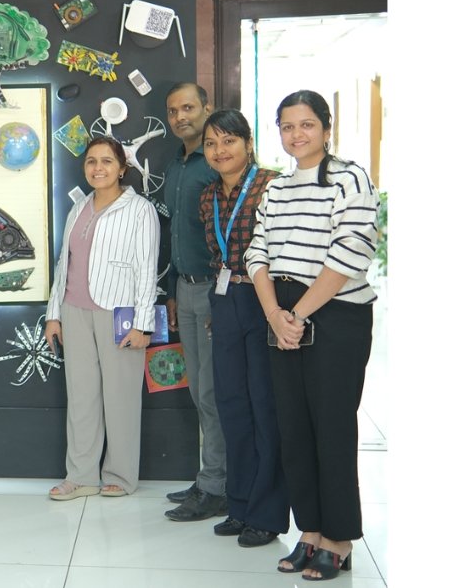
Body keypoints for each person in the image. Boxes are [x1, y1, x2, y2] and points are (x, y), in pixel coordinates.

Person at [246, 90, 378, 581]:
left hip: (335, 315)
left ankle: (339, 537)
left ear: (326, 127)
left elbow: (350, 253)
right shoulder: (277, 187)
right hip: (282, 314)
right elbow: (257, 252)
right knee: (294, 429)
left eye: (306, 124)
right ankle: (311, 530)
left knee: (332, 428)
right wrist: (275, 315)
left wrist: (296, 315)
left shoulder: (349, 178)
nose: (296, 134)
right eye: (287, 126)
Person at [44, 137, 159, 500]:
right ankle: (80, 476)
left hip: (119, 313)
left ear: (122, 168)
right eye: (91, 161)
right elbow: (64, 264)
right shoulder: (78, 207)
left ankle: (121, 476)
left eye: (107, 161)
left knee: (121, 398)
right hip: (75, 311)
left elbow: (146, 269)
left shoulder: (140, 209)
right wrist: (53, 315)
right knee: (81, 398)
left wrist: (143, 324)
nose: (98, 168)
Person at [196, 109, 288, 548]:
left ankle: (266, 515)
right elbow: (216, 254)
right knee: (231, 404)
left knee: (265, 405)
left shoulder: (273, 185)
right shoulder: (207, 195)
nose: (220, 151)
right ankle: (240, 504)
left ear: (248, 143)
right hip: (225, 300)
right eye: (211, 143)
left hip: (264, 300)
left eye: (228, 140)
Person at [162, 83, 228, 522]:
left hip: (213, 290)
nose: (180, 116)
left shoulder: (217, 163)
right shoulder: (176, 166)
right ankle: (210, 477)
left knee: (212, 392)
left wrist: (222, 300)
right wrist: (171, 292)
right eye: (173, 111)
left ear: (207, 108)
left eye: (188, 107)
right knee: (197, 391)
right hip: (184, 289)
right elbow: (176, 235)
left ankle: (217, 486)